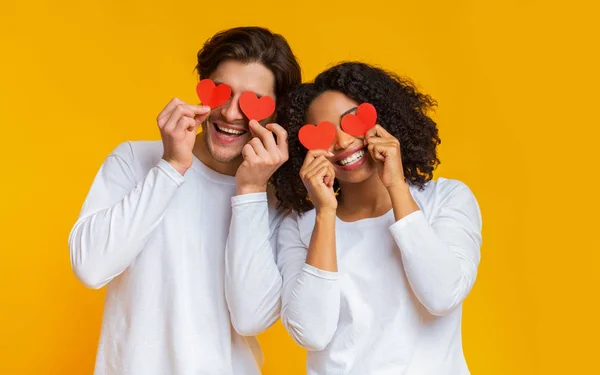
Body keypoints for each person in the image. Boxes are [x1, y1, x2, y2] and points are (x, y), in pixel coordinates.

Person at [68, 26, 301, 375]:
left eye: (253, 101)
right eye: (222, 91)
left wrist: (251, 192)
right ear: (202, 88)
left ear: (277, 114)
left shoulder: (280, 200)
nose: (232, 113)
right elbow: (90, 267)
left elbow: (250, 316)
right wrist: (172, 167)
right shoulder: (134, 160)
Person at [270, 61, 483, 374]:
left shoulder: (446, 199)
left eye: (352, 122)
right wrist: (326, 214)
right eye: (325, 134)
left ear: (383, 118)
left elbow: (442, 295)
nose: (342, 142)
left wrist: (396, 185)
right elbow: (311, 333)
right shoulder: (301, 225)